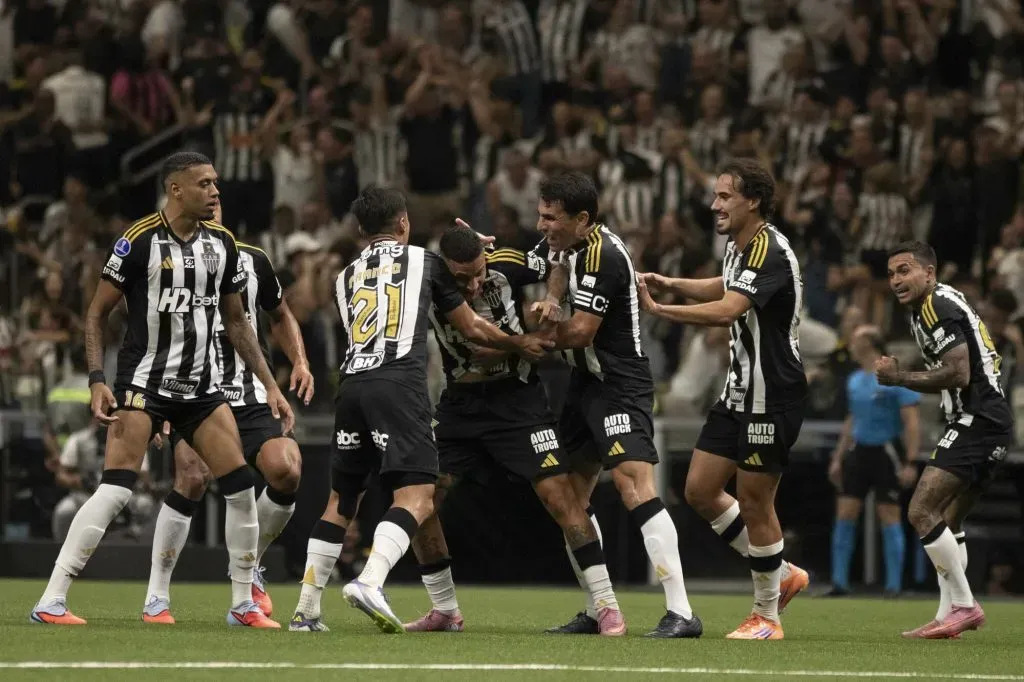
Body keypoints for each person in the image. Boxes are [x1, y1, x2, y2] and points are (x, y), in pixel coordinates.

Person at [30, 152, 292, 629]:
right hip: (144, 385)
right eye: (205, 184)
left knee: (239, 488)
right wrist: (96, 380)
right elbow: (96, 313)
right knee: (116, 490)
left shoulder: (224, 244)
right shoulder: (138, 241)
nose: (215, 191)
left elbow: (237, 323)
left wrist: (270, 385)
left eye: (216, 183)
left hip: (202, 388)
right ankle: (52, 598)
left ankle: (241, 605)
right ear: (176, 190)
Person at [288, 186, 551, 633]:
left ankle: (306, 610)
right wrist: (516, 341)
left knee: (341, 499)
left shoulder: (345, 275)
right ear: (404, 223)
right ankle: (370, 580)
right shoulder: (425, 262)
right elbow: (470, 327)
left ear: (360, 230)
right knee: (418, 496)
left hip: (351, 386)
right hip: (398, 385)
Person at [402, 222, 624, 635]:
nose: (472, 285)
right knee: (423, 494)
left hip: (517, 399)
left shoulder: (507, 262)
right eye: (461, 277)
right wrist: (517, 339)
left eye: (478, 273)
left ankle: (606, 605)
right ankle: (445, 608)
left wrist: (552, 301)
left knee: (560, 495)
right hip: (460, 403)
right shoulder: (426, 276)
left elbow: (557, 259)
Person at [636, 158, 810, 640]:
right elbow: (724, 285)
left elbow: (729, 308)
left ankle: (767, 617)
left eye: (725, 196)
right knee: (699, 489)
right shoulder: (742, 246)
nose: (714, 205)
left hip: (771, 396)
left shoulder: (768, 250)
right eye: (715, 195)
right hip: (738, 391)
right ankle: (784, 574)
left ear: (753, 200)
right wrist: (674, 283)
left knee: (756, 503)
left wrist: (662, 309)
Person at [530, 172, 699, 639]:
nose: (542, 225)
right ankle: (598, 605)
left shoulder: (604, 254)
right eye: (541, 214)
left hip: (620, 383)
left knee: (633, 486)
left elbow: (582, 331)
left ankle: (682, 611)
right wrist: (549, 295)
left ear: (583, 219)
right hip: (586, 383)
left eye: (551, 218)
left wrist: (532, 338)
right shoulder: (571, 244)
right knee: (567, 496)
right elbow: (557, 265)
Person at [141, 201, 314, 624]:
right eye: (204, 199)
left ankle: (250, 563)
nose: (211, 209)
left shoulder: (253, 259)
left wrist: (301, 362)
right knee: (192, 475)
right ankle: (156, 595)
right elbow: (153, 329)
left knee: (287, 469)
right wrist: (158, 397)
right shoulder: (166, 260)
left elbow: (281, 314)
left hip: (251, 392)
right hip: (194, 390)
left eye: (216, 203)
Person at [877, 241, 1013, 639]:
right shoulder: (930, 306)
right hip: (987, 419)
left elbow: (958, 374)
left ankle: (966, 606)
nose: (896, 280)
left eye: (904, 270)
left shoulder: (936, 306)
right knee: (948, 521)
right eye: (890, 274)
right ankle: (947, 613)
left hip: (978, 418)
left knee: (921, 511)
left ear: (929, 273)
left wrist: (900, 379)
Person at [826, 325, 921, 597]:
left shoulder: (893, 379)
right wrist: (838, 457)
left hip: (887, 451)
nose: (851, 345)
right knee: (845, 514)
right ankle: (839, 582)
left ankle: (894, 585)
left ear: (869, 344)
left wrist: (910, 461)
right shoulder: (854, 379)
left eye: (856, 340)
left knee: (889, 515)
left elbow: (911, 422)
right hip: (859, 450)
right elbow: (852, 419)